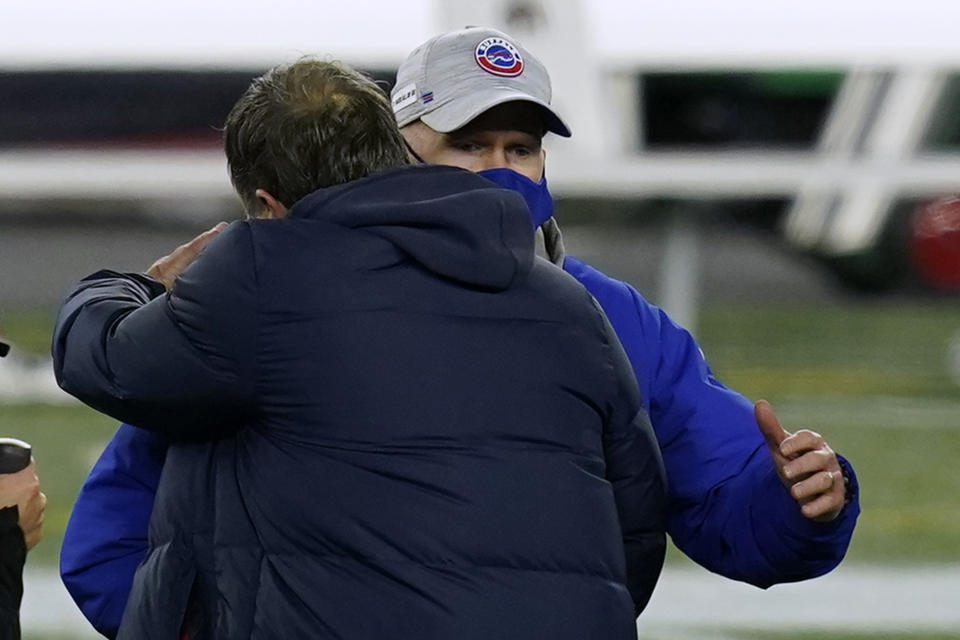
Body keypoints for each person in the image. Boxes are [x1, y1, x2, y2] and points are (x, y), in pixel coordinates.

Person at [61, 26, 860, 636]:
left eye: (522, 147)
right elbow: (115, 542)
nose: (502, 169)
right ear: (389, 154)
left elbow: (709, 499)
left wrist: (793, 502)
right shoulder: (267, 303)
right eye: (469, 144)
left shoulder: (606, 314)